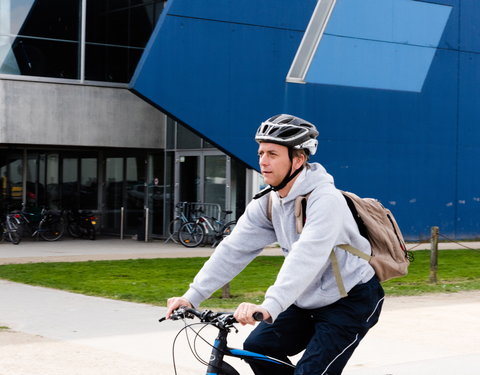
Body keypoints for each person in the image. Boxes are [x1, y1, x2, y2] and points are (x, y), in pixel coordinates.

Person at [166, 114, 385, 375]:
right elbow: (233, 249)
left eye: (272, 153)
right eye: (261, 152)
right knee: (257, 347)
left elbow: (306, 257)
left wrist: (269, 305)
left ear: (299, 159)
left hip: (350, 299)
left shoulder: (326, 201)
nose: (263, 161)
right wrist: (192, 297)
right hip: (305, 299)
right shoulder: (269, 202)